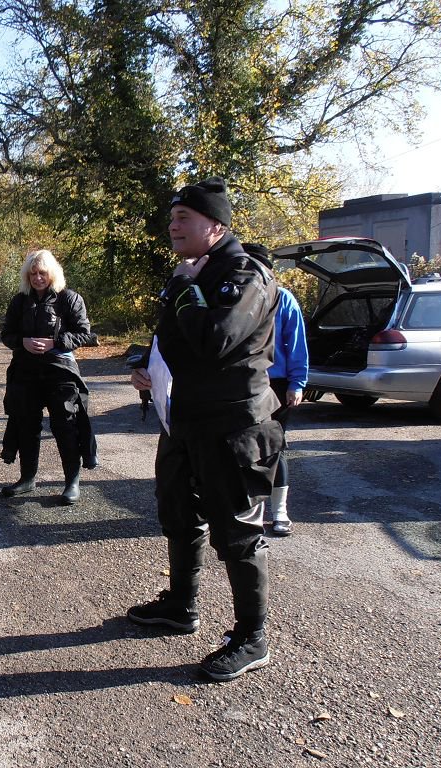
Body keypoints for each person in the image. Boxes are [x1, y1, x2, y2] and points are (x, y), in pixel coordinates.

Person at [126, 178, 283, 682]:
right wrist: (144, 363)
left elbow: (216, 339)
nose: (172, 226)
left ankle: (252, 637)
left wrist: (184, 290)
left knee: (237, 532)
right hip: (185, 419)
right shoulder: (193, 272)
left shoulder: (245, 274)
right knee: (177, 513)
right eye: (172, 218)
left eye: (184, 218)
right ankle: (181, 605)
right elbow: (173, 337)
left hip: (233, 424)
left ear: (215, 226)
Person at [0, 249, 97, 504]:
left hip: (60, 369)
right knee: (26, 424)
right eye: (33, 274)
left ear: (52, 273)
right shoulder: (19, 301)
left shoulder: (70, 299)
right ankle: (27, 478)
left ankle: (72, 482)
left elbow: (85, 334)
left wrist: (56, 342)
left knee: (65, 424)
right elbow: (6, 334)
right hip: (25, 370)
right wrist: (22, 341)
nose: (38, 278)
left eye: (42, 273)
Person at [244, 243, 309, 537]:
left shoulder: (284, 299)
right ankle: (252, 512)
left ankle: (280, 512)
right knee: (246, 448)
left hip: (278, 385)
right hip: (245, 383)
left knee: (275, 448)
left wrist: (297, 384)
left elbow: (296, 344)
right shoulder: (238, 300)